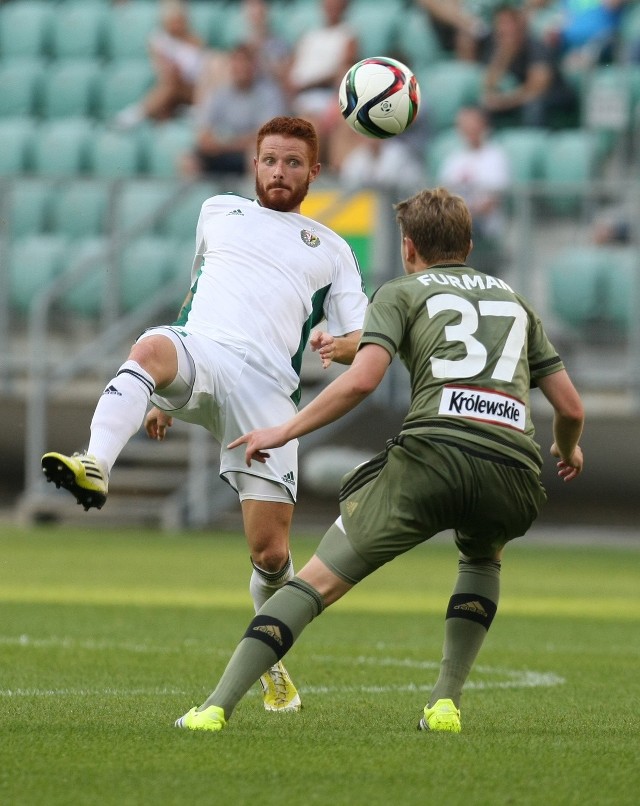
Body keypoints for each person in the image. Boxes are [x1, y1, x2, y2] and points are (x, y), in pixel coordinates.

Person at [172, 186, 585, 733]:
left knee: (316, 582)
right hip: (512, 466)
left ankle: (214, 708)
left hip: (434, 456)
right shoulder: (514, 300)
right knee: (483, 558)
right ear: (467, 242)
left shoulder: (403, 289)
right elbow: (570, 405)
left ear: (408, 247)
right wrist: (568, 445)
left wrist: (285, 428)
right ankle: (445, 704)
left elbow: (365, 378)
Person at [41, 116, 369, 715]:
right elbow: (195, 294)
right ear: (254, 161)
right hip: (204, 350)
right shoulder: (218, 210)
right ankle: (95, 464)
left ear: (314, 173)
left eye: (293, 163)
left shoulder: (333, 248)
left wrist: (338, 346)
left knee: (270, 554)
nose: (279, 172)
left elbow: (363, 340)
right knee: (146, 348)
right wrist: (160, 392)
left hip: (268, 391)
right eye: (270, 160)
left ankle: (272, 663)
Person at [180, 42, 289, 180]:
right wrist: (211, 142)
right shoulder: (220, 93)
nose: (241, 67)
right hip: (220, 151)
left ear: (254, 66)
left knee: (258, 156)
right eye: (237, 62)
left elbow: (265, 137)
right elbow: (204, 131)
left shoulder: (269, 94)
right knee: (188, 159)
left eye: (246, 62)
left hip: (245, 152)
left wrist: (227, 145)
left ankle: (255, 199)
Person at [481, 3, 579, 128]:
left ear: (520, 25)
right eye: (500, 24)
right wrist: (503, 55)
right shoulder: (500, 51)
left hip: (555, 97)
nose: (504, 29)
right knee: (486, 106)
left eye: (508, 23)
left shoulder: (537, 47)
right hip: (521, 99)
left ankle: (533, 142)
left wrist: (504, 102)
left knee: (534, 105)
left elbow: (536, 89)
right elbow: (488, 85)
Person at [113, 0, 208, 129]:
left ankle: (138, 113)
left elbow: (203, 71)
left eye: (179, 20)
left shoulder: (197, 40)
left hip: (196, 89)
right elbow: (164, 72)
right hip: (174, 87)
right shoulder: (159, 41)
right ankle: (145, 114)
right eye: (173, 21)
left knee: (171, 86)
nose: (176, 25)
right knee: (170, 85)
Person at [438, 105, 510, 272]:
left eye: (472, 124)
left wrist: (463, 216)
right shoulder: (453, 159)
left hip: (484, 233)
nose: (468, 129)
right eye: (464, 125)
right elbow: (443, 195)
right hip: (456, 230)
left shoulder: (495, 157)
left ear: (483, 125)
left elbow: (493, 200)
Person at [285, 0, 359, 157]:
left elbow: (343, 70)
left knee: (310, 130)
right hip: (299, 99)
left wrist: (307, 85)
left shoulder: (348, 34)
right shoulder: (310, 35)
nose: (331, 7)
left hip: (326, 100)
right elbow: (292, 67)